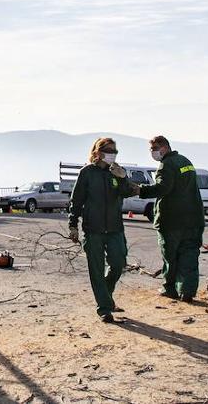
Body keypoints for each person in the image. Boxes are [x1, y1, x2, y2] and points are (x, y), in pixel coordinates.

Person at [68, 137, 139, 323]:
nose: (112, 154)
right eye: (109, 150)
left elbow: (128, 191)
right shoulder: (87, 173)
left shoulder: (116, 172)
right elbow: (76, 201)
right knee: (96, 270)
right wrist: (73, 224)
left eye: (115, 151)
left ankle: (106, 294)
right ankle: (105, 309)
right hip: (93, 230)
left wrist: (123, 177)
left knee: (118, 264)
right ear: (97, 153)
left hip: (115, 228)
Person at [136, 135, 204, 302]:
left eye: (153, 149)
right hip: (193, 219)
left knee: (170, 256)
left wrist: (140, 190)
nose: (152, 153)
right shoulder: (186, 161)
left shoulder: (166, 165)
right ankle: (187, 291)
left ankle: (170, 288)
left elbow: (162, 188)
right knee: (189, 255)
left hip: (172, 220)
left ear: (164, 148)